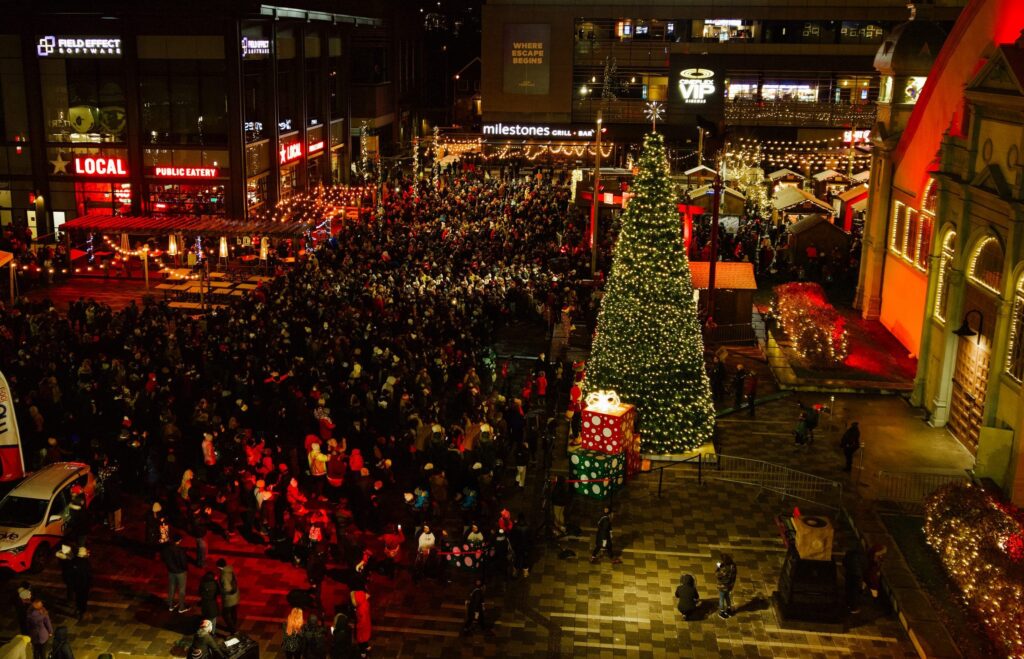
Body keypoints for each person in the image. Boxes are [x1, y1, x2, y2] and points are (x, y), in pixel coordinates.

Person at [162, 534, 190, 613]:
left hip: (171, 571)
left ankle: (170, 605)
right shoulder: (180, 550)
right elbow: (183, 562)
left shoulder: (166, 549)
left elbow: (164, 559)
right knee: (181, 590)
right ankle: (181, 607)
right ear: (179, 541)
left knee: (171, 588)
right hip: (180, 572)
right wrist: (185, 569)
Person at [216, 559, 240, 634]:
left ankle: (232, 629)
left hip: (229, 598)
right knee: (233, 611)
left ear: (219, 567)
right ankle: (234, 625)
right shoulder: (230, 570)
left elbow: (227, 588)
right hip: (235, 595)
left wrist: (220, 590)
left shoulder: (223, 575)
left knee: (225, 614)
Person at [70, 545, 92, 621]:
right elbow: (89, 574)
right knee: (83, 600)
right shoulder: (86, 563)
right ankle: (82, 613)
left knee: (78, 598)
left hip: (77, 585)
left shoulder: (74, 561)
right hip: (84, 585)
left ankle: (78, 610)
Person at [716, 553, 737, 619]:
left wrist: (718, 567)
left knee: (721, 598)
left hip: (723, 586)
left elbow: (718, 575)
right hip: (730, 585)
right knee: (727, 596)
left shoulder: (724, 569)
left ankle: (722, 612)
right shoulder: (733, 566)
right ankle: (729, 609)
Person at [352, 590, 372, 657]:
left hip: (362, 629)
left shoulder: (361, 609)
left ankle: (363, 653)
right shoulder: (365, 603)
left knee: (361, 641)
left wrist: (357, 626)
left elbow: (362, 622)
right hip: (367, 626)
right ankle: (367, 647)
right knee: (365, 639)